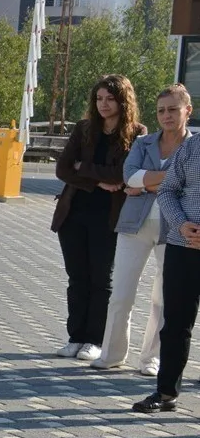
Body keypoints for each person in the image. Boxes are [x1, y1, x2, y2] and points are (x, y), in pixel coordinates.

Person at [97, 85, 191, 374]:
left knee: (162, 298)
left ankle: (151, 359)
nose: (167, 115)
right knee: (121, 293)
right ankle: (111, 354)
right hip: (133, 224)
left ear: (188, 111)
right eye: (162, 110)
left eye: (173, 109)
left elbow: (190, 184)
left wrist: (145, 183)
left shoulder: (194, 147)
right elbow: (129, 177)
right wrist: (168, 181)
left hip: (175, 228)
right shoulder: (144, 142)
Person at [52, 75, 144, 361]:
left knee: (101, 279)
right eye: (99, 98)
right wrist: (96, 181)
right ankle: (75, 337)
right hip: (74, 213)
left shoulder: (136, 133)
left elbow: (122, 174)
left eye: (110, 98)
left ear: (122, 101)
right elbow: (64, 169)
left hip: (109, 216)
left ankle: (95, 339)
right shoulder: (83, 129)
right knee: (77, 277)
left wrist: (85, 167)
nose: (103, 104)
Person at [135, 125, 200, 412]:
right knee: (175, 323)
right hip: (182, 246)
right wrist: (181, 225)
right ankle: (165, 392)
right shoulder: (191, 147)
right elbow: (168, 191)